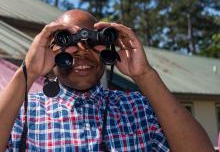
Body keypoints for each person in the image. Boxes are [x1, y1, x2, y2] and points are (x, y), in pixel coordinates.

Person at [0, 9, 214, 152]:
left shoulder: (137, 108)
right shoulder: (23, 111)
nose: (82, 53)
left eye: (93, 42)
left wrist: (145, 75)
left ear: (107, 48)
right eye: (70, 43)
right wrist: (28, 71)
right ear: (50, 50)